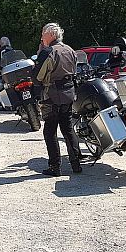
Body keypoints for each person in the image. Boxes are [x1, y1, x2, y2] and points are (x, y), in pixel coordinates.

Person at [34, 22, 80, 176]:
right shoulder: (70, 50)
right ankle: (76, 164)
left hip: (52, 95)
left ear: (51, 35)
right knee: (68, 129)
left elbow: (37, 76)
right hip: (69, 93)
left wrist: (39, 55)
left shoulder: (48, 52)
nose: (42, 38)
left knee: (50, 131)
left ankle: (55, 167)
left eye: (43, 34)